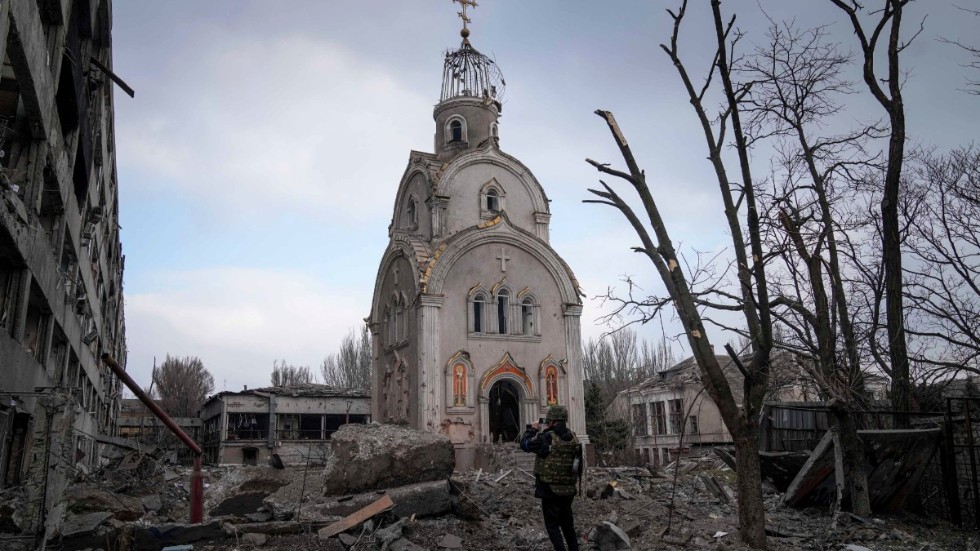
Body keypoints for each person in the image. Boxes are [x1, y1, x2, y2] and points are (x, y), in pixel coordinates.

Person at [520, 405, 583, 551]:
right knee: (568, 524)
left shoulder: (546, 438)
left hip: (550, 489)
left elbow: (525, 444)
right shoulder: (573, 437)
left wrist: (533, 429)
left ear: (552, 421)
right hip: (568, 488)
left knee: (552, 525)